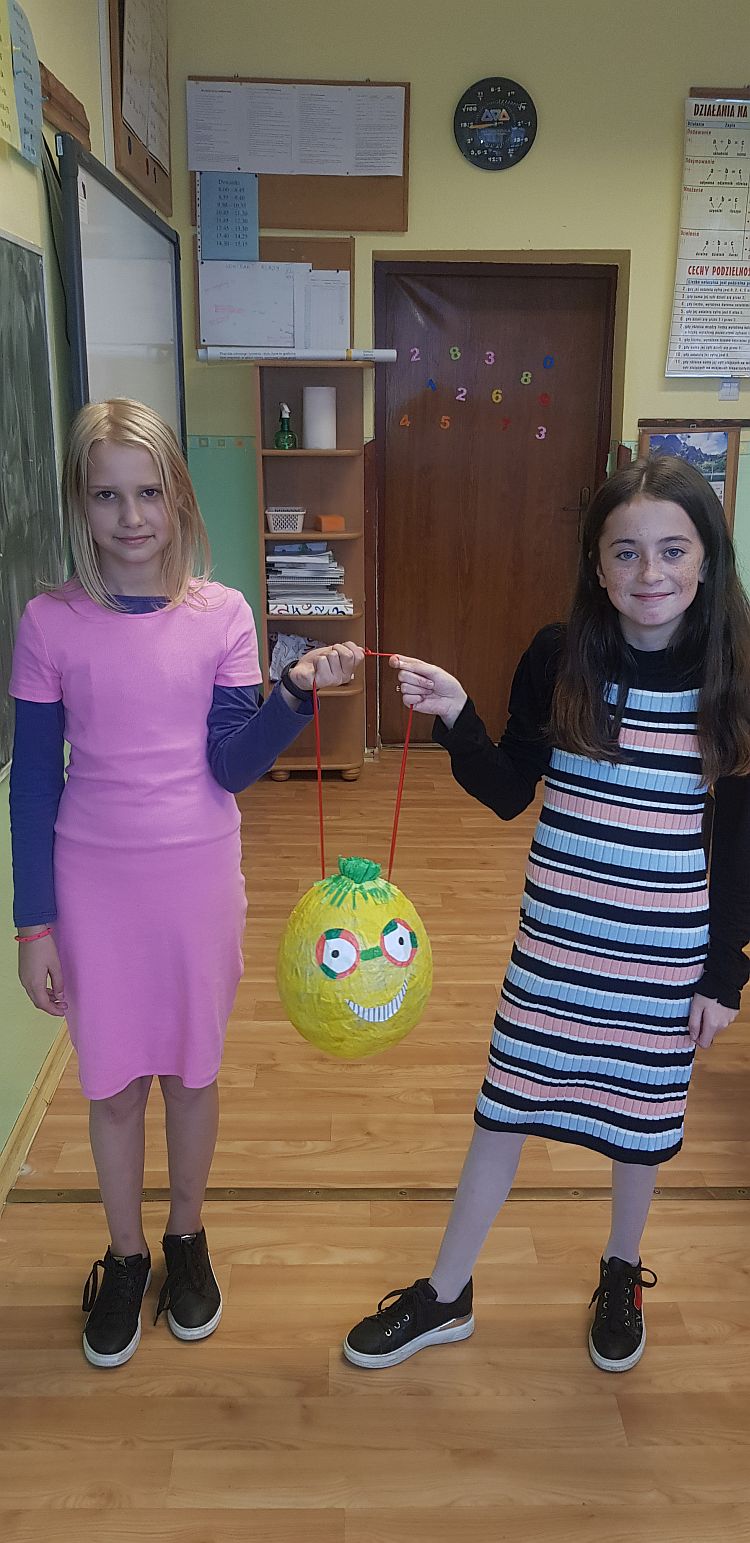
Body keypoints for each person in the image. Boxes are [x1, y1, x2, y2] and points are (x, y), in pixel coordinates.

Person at [344, 454, 750, 1374]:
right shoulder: (558, 657)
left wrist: (725, 973)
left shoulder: (732, 673)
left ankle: (621, 1270)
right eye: (626, 552)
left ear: (707, 558)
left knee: (640, 1125)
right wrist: (458, 715)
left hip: (663, 956)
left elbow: (738, 841)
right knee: (503, 1110)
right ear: (597, 565)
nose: (650, 573)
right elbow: (506, 791)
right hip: (557, 946)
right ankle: (447, 1292)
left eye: (673, 550)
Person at [9, 397, 363, 1369]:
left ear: (179, 497)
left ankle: (186, 1235)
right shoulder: (48, 623)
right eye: (106, 495)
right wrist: (33, 925)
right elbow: (34, 783)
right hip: (92, 888)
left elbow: (230, 764)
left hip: (198, 880)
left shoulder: (225, 614)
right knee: (116, 1083)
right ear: (80, 505)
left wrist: (291, 696)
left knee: (190, 1074)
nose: (130, 516)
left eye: (149, 491)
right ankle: (126, 1256)